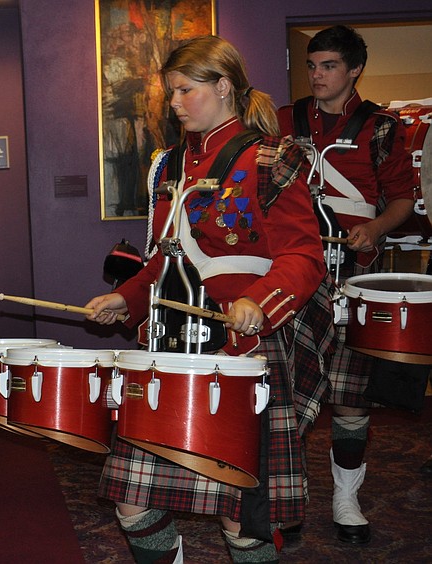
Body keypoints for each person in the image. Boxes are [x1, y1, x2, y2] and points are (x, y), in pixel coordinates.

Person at [85, 35, 336, 563]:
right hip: (171, 347)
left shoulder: (271, 157)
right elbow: (164, 257)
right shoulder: (170, 165)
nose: (174, 104)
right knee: (131, 499)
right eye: (170, 92)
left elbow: (303, 256)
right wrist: (127, 300)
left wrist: (258, 302)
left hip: (242, 351)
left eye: (184, 90)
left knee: (241, 510)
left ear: (223, 86)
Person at [277, 24, 415, 545]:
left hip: (353, 274)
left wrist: (375, 227)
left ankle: (346, 496)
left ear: (354, 69)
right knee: (284, 390)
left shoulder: (381, 126)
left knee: (351, 392)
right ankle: (286, 498)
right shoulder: (285, 121)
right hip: (292, 269)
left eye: (329, 65)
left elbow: (402, 197)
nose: (317, 75)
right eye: (312, 65)